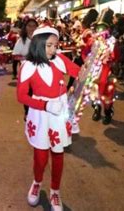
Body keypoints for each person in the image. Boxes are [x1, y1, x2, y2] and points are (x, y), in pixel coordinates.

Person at [17, 27, 80, 211]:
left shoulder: (60, 59)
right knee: (41, 156)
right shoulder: (28, 66)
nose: (53, 49)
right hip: (40, 114)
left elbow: (78, 72)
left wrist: (94, 65)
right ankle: (37, 182)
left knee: (58, 154)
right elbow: (21, 96)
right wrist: (45, 105)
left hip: (59, 113)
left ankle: (55, 190)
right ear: (38, 44)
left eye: (56, 45)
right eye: (49, 45)